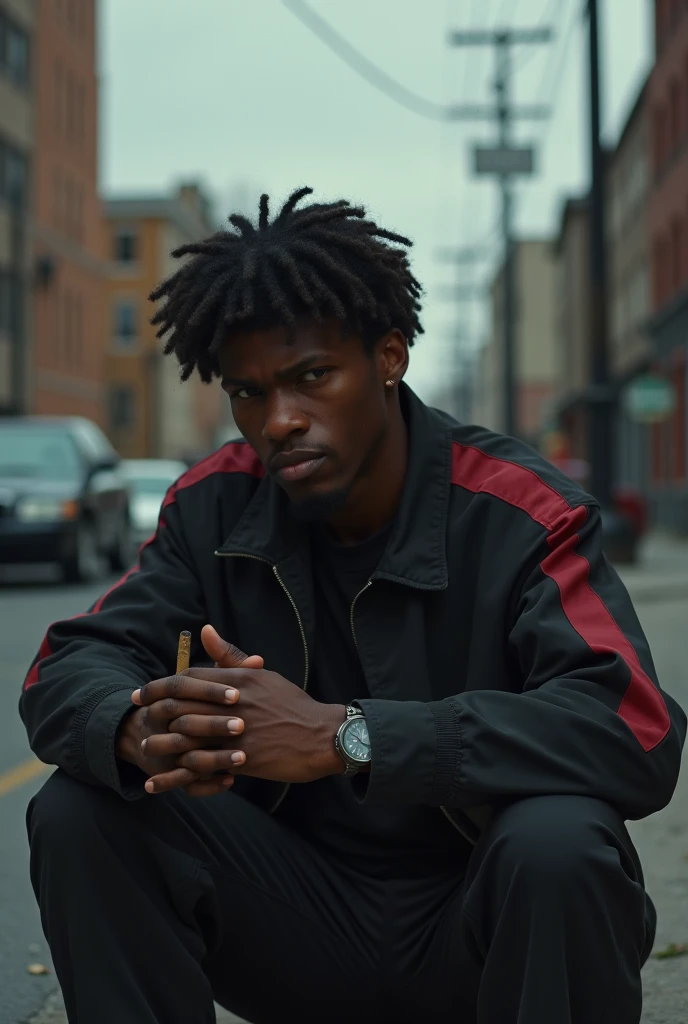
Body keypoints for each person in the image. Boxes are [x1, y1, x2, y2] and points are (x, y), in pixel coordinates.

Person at [21, 187, 686, 1024]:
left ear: (389, 355)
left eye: (311, 377)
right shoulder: (215, 504)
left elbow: (633, 728)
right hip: (297, 927)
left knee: (561, 842)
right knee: (82, 809)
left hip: (488, 935)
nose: (280, 420)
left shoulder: (522, 512)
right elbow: (68, 663)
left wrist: (348, 737)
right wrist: (132, 726)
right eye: (249, 393)